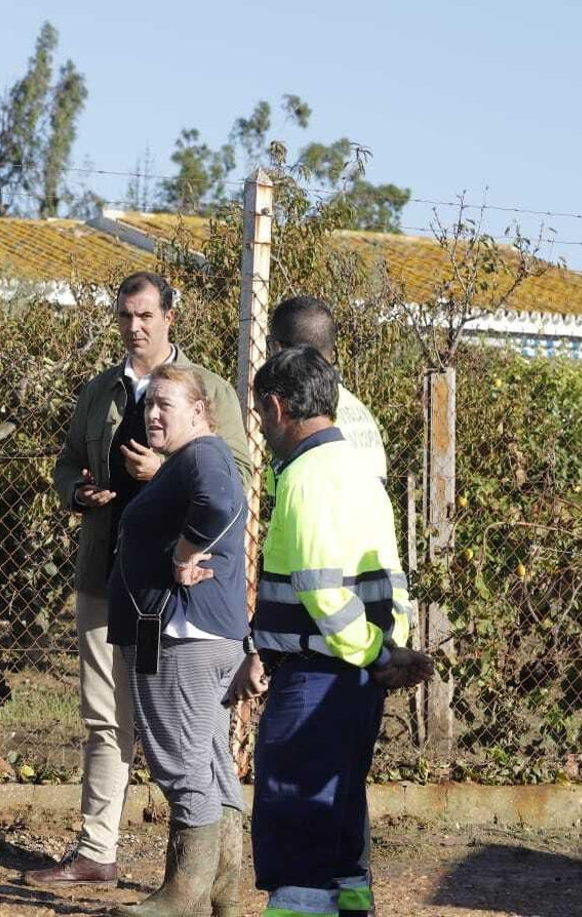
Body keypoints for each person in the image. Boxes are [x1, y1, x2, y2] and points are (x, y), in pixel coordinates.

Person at [29, 271, 252, 889]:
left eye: (146, 315)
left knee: (183, 735)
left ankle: (194, 880)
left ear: (170, 317)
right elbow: (68, 456)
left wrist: (167, 469)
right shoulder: (101, 391)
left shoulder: (206, 389)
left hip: (177, 594)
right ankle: (98, 850)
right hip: (106, 573)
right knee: (106, 719)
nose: (135, 327)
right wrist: (76, 489)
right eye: (126, 315)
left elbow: (233, 475)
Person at [228, 346, 432, 917]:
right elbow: (389, 576)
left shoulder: (305, 478)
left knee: (296, 815)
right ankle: (350, 904)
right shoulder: (360, 471)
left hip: (318, 675)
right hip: (355, 679)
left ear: (275, 407)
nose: (262, 429)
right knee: (339, 813)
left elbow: (320, 589)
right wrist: (387, 652)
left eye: (261, 416)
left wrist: (368, 652)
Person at [106, 365, 248, 917]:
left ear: (200, 410)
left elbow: (220, 505)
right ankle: (222, 893)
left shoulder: (202, 454)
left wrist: (186, 551)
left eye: (166, 403)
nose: (153, 413)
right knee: (211, 761)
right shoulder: (193, 459)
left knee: (181, 763)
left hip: (176, 632)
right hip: (200, 632)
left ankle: (183, 895)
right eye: (148, 405)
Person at [268, 295, 387, 485]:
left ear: (280, 350)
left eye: (271, 346)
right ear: (332, 353)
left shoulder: (306, 415)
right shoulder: (356, 408)